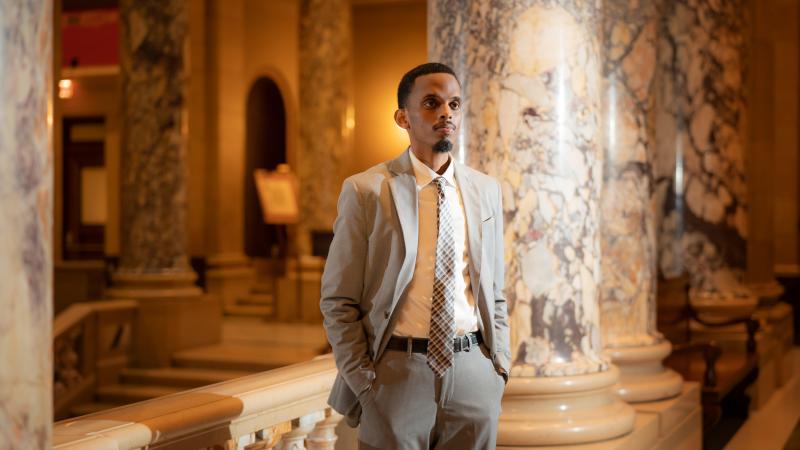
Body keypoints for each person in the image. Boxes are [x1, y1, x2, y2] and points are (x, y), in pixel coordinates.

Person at [320, 62, 510, 450]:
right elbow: (338, 300)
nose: (447, 113)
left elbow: (496, 289)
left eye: (454, 104)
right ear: (402, 117)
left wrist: (498, 367)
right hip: (396, 374)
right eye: (431, 102)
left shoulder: (485, 191)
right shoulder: (366, 191)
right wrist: (364, 381)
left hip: (473, 369)